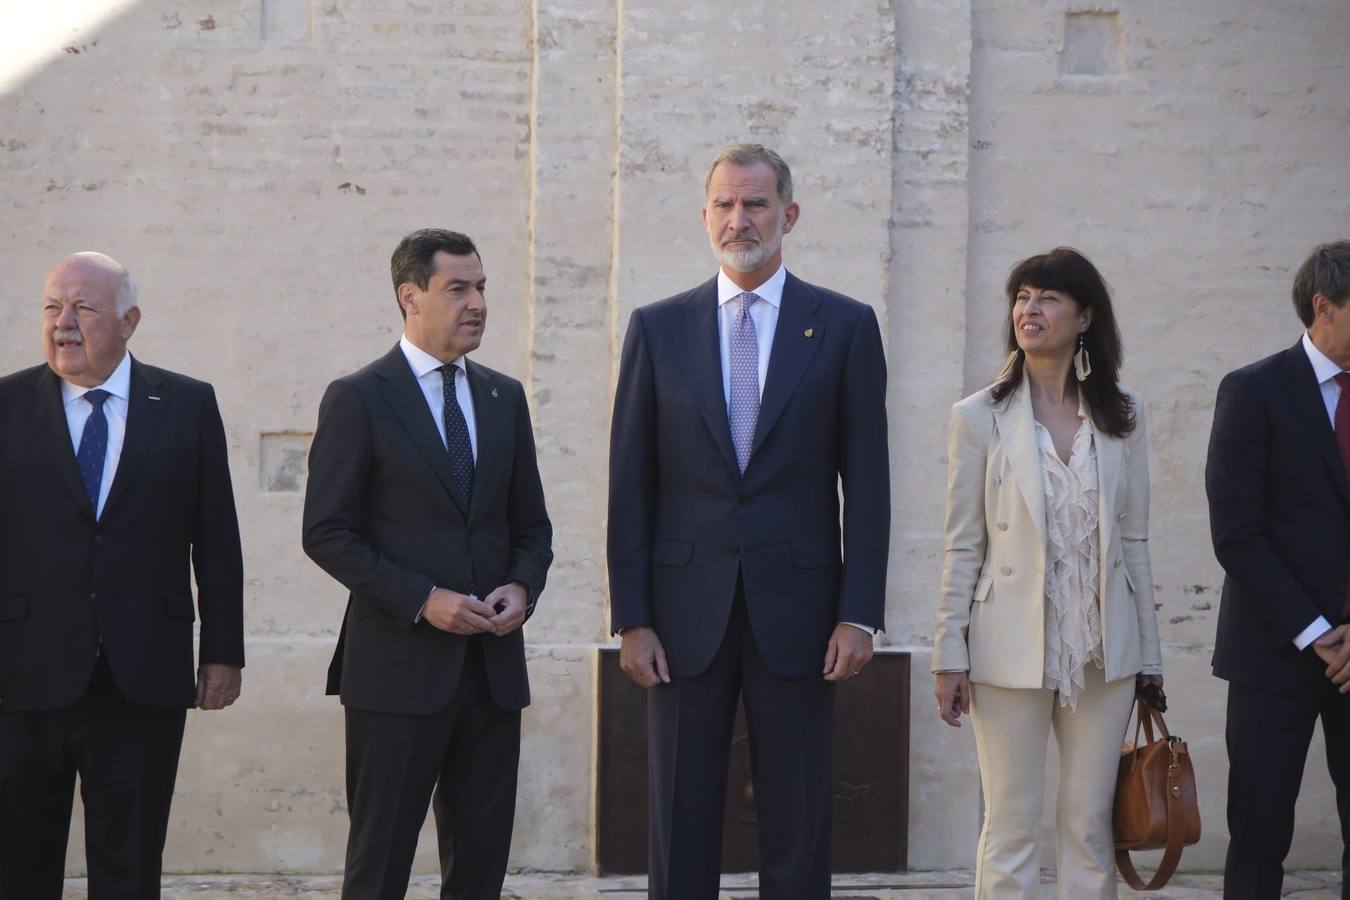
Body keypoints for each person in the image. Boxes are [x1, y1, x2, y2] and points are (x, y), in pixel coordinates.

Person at [607, 143, 890, 899]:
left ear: (788, 215)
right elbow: (630, 486)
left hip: (801, 617)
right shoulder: (657, 328)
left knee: (798, 823)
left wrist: (859, 614)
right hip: (679, 618)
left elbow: (867, 485)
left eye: (756, 204)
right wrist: (631, 617)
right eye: (726, 205)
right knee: (679, 824)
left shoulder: (845, 326)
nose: (741, 219)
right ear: (705, 216)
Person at [302, 228, 553, 900]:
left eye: (481, 287)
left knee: (479, 871)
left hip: (492, 675)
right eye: (458, 288)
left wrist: (521, 586)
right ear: (410, 296)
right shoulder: (358, 398)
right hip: (396, 675)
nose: (478, 303)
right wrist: (423, 598)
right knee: (379, 864)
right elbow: (326, 532)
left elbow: (532, 526)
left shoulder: (505, 398)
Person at [0, 251, 245, 899]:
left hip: (142, 677)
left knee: (129, 867)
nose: (63, 323)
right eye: (53, 307)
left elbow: (217, 539)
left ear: (129, 320)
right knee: (18, 866)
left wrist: (223, 653)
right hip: (21, 675)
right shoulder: (4, 404)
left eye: (83, 307)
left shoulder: (187, 405)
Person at [932, 247, 1163, 899]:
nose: (1030, 310)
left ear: (1085, 316)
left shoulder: (1125, 415)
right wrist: (949, 653)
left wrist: (1150, 654)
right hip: (1006, 649)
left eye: (1049, 298)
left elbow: (1136, 542)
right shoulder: (977, 417)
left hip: (1102, 652)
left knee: (1089, 826)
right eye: (1022, 297)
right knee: (1010, 830)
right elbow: (962, 544)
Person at [1206, 239, 1350, 899]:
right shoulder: (1253, 390)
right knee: (1259, 836)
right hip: (1272, 654)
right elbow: (1238, 534)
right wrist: (1317, 628)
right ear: (1324, 306)